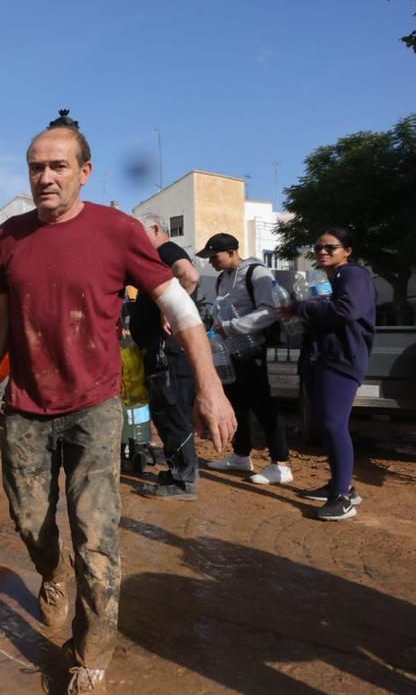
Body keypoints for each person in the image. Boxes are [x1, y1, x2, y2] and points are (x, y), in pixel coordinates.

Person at [0, 120, 236, 693]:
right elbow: (4, 316)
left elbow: (180, 306)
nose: (45, 177)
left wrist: (210, 387)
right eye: (36, 167)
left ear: (84, 172)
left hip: (94, 406)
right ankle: (52, 572)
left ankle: (92, 656)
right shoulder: (9, 236)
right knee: (30, 521)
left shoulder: (118, 230)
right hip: (26, 406)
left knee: (96, 534)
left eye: (58, 166)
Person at [284, 228, 376, 521]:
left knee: (335, 424)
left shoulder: (354, 275)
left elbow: (345, 311)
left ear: (347, 251)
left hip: (341, 360)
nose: (322, 252)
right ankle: (341, 485)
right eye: (318, 247)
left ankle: (342, 499)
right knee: (327, 424)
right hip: (322, 358)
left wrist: (300, 307)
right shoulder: (330, 278)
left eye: (330, 247)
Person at [197, 232, 292, 485]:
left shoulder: (256, 273)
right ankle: (241, 456)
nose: (211, 262)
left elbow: (269, 311)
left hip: (253, 350)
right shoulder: (222, 278)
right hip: (230, 352)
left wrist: (232, 327)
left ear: (232, 252)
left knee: (263, 405)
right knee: (237, 404)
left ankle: (280, 464)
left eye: (214, 256)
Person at [129, 214, 201, 500]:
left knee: (172, 413)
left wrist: (170, 309)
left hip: (166, 352)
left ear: (156, 229)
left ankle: (182, 481)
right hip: (162, 351)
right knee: (169, 412)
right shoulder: (160, 255)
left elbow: (190, 275)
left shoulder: (166, 250)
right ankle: (179, 474)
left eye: (139, 233)